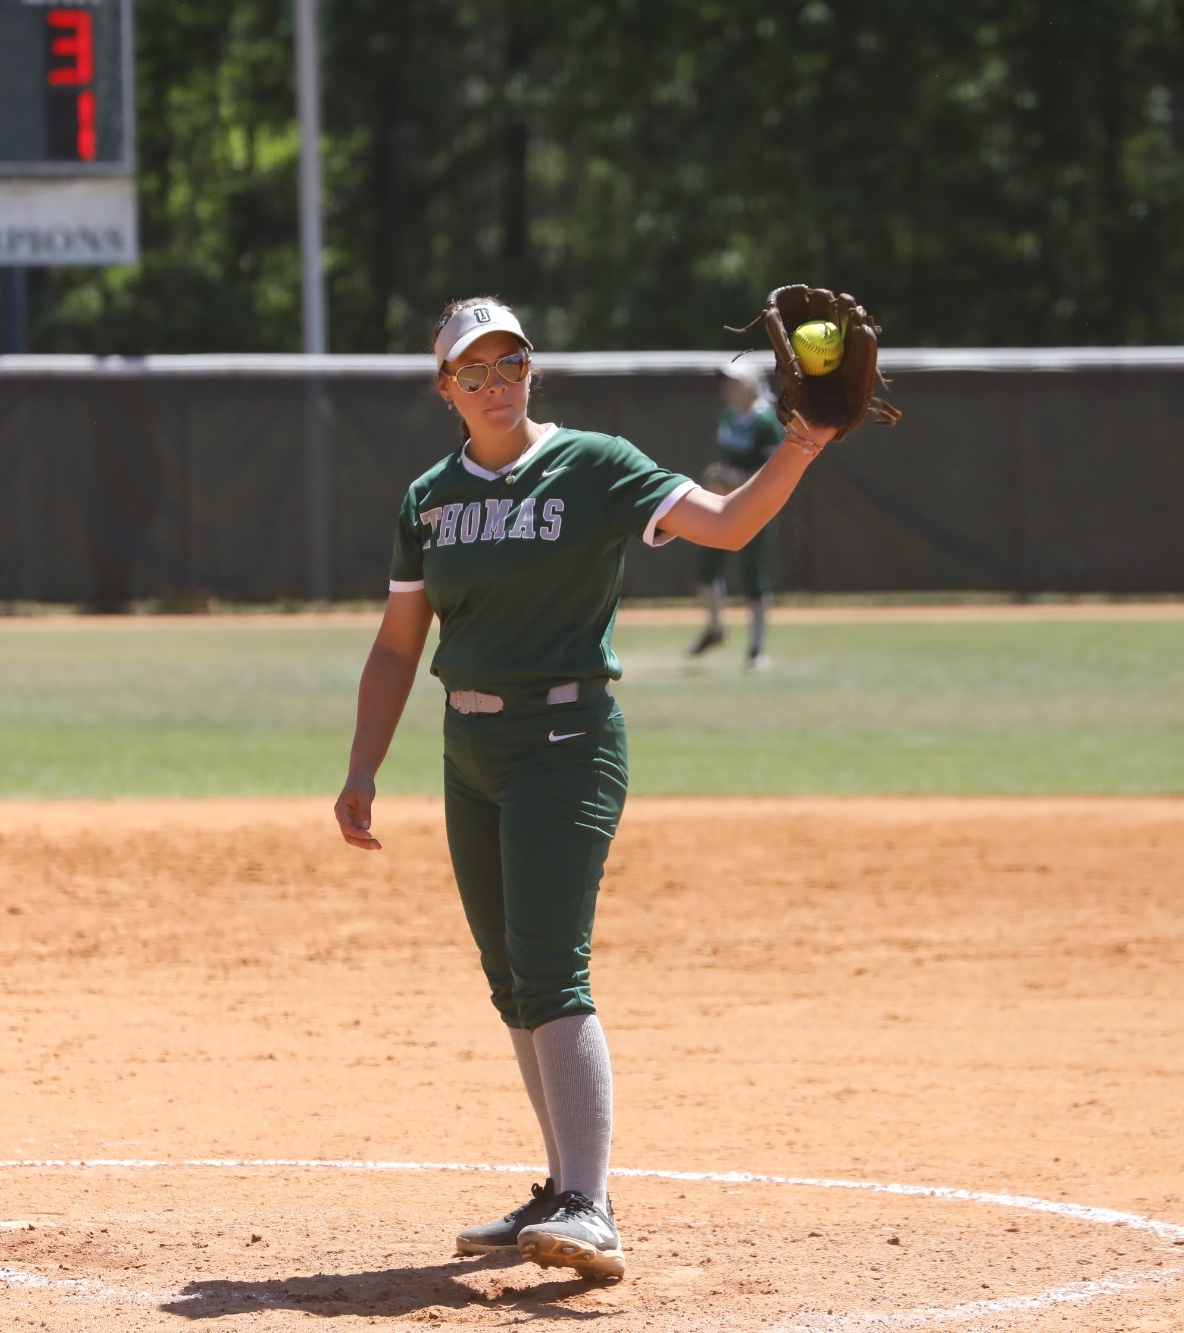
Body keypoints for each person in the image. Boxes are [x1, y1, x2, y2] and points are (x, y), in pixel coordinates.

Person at [333, 297, 835, 1281]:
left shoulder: (595, 464)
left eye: (507, 361)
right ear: (443, 390)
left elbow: (728, 525)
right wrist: (362, 764)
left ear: (532, 369)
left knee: (551, 967)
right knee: (509, 979)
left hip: (563, 739)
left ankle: (589, 1203)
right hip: (466, 751)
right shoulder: (428, 497)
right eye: (470, 370)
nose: (492, 382)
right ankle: (558, 1187)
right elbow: (399, 646)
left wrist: (803, 443)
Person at [686, 359, 788, 668]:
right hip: (723, 505)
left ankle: (757, 650)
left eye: (734, 381)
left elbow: (773, 472)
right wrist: (720, 476)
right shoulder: (730, 416)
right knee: (706, 572)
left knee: (753, 576)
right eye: (725, 381)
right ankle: (715, 629)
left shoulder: (767, 421)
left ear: (751, 384)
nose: (727, 387)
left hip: (756, 507)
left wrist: (734, 477)